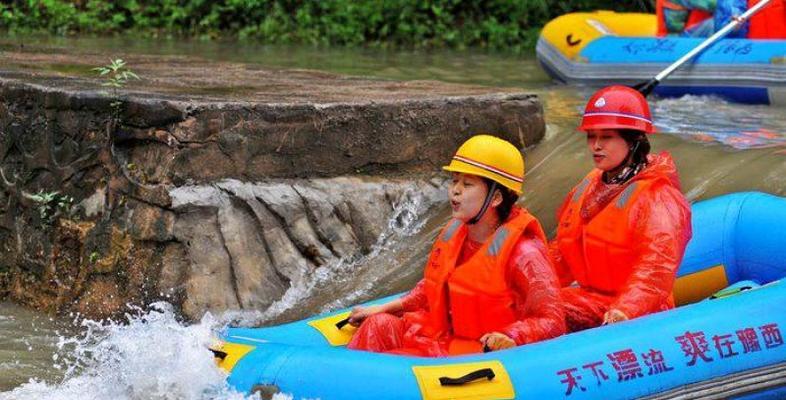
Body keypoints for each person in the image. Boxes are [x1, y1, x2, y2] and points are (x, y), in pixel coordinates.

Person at [346, 134, 565, 357]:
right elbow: (431, 287)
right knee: (378, 324)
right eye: (454, 181)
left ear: (496, 198)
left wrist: (512, 337)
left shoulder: (524, 253)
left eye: (467, 184)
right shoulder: (456, 234)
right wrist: (382, 308)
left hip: (475, 352)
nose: (455, 190)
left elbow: (552, 320)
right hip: (440, 337)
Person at [550, 86, 692, 332]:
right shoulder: (588, 185)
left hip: (642, 312)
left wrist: (625, 311)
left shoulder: (658, 197)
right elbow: (562, 252)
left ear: (633, 141)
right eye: (591, 136)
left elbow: (655, 268)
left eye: (606, 137)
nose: (595, 146)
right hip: (592, 300)